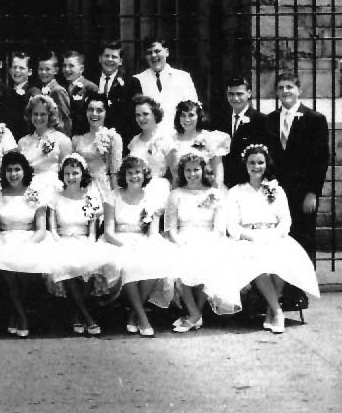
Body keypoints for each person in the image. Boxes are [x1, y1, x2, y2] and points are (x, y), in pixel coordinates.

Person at [226, 144, 320, 333]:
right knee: (255, 262)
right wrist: (251, 237)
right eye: (252, 162)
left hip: (273, 235)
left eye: (260, 162)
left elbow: (285, 220)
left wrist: (274, 235)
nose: (256, 166)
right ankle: (277, 311)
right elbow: (232, 225)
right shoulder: (236, 192)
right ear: (245, 165)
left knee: (283, 258)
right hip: (247, 238)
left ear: (266, 164)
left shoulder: (275, 189)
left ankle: (271, 310)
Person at [165, 153, 242, 333]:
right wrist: (181, 242)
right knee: (179, 262)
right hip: (182, 239)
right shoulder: (175, 195)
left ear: (203, 170)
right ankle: (194, 313)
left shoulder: (214, 194)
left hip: (210, 238)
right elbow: (170, 228)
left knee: (208, 260)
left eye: (196, 169)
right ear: (182, 172)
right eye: (188, 170)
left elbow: (219, 228)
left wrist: (206, 243)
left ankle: (194, 314)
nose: (192, 174)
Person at [103, 156, 178, 337]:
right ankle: (143, 318)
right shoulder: (113, 196)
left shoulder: (150, 199)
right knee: (127, 265)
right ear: (124, 175)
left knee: (154, 264)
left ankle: (133, 314)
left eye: (137, 172)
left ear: (144, 175)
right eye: (130, 173)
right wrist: (125, 245)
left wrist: (144, 247)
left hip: (143, 241)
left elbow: (152, 234)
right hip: (118, 241)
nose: (134, 176)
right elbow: (108, 232)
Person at [47, 154, 121, 336]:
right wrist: (61, 243)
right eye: (67, 173)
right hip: (61, 241)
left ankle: (77, 314)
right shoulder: (55, 198)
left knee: (90, 262)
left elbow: (92, 233)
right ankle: (86, 316)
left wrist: (87, 245)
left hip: (84, 240)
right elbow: (53, 229)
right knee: (65, 262)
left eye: (75, 173)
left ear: (82, 174)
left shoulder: (90, 198)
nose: (71, 177)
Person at [0, 151, 48, 338]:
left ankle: (16, 313)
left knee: (24, 261)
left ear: (24, 171)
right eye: (9, 170)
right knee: (4, 262)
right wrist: (2, 240)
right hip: (5, 238)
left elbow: (41, 229)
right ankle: (20, 314)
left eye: (17, 169)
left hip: (30, 238)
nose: (13, 174)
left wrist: (28, 243)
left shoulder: (36, 195)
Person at [264, 72, 329, 262]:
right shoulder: (270, 120)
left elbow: (320, 159)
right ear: (276, 92)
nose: (285, 91)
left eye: (289, 87)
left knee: (304, 238)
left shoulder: (315, 119)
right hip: (277, 190)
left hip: (303, 192)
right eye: (281, 88)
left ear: (299, 90)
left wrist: (312, 192)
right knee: (280, 239)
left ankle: (304, 280)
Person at [131, 38, 198, 132]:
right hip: (150, 137)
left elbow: (193, 109)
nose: (153, 55)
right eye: (149, 53)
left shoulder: (183, 77)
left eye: (157, 51)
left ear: (167, 52)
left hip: (179, 135)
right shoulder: (138, 80)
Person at [17, 94, 72, 200]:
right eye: (35, 114)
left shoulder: (62, 140)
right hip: (29, 190)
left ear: (50, 116)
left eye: (43, 114)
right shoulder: (23, 142)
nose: (38, 118)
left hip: (53, 190)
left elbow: (67, 172)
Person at [216, 76, 267, 188]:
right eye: (231, 94)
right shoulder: (220, 120)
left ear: (249, 93)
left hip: (249, 183)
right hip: (224, 183)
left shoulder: (261, 120)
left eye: (239, 94)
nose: (235, 98)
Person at [167, 100, 230, 188]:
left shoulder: (210, 139)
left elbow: (218, 171)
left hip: (206, 189)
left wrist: (217, 190)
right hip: (180, 189)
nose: (187, 119)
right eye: (183, 115)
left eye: (191, 115)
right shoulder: (170, 141)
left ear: (199, 117)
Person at [71, 93, 123, 196]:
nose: (94, 114)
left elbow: (115, 173)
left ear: (106, 113)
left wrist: (117, 198)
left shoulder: (113, 137)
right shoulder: (77, 139)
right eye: (91, 110)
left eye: (99, 110)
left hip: (102, 188)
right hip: (80, 186)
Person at [127, 96, 172, 211]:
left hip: (157, 189)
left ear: (155, 114)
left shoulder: (165, 139)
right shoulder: (135, 141)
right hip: (134, 188)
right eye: (137, 115)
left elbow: (175, 173)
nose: (141, 118)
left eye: (145, 114)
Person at [97, 41, 137, 147]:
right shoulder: (90, 80)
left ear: (120, 61)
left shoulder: (130, 83)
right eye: (106, 56)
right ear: (100, 58)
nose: (110, 59)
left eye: (114, 57)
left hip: (121, 141)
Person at [4, 51, 40, 140]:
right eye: (14, 67)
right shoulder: (6, 92)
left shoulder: (34, 93)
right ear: (10, 70)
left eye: (21, 68)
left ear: (29, 72)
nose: (17, 71)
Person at [36, 51, 72, 136]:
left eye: (47, 69)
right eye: (41, 69)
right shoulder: (39, 90)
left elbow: (65, 120)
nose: (43, 72)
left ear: (56, 70)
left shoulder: (57, 91)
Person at [62, 50, 98, 135]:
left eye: (71, 66)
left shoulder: (90, 87)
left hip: (83, 134)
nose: (67, 69)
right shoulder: (62, 88)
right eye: (64, 66)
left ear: (81, 69)